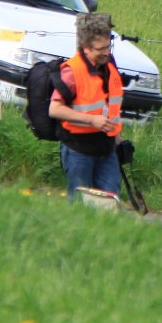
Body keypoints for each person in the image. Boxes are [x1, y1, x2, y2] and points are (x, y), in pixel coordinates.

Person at [47, 19, 124, 198]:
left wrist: (117, 137)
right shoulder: (72, 71)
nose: (106, 53)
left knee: (110, 200)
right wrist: (91, 120)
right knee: (80, 202)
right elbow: (54, 109)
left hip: (106, 147)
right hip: (78, 149)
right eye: (101, 49)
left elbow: (110, 105)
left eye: (108, 47)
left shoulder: (109, 67)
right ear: (86, 48)